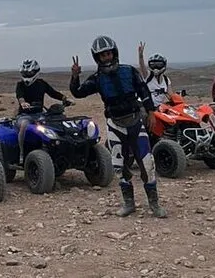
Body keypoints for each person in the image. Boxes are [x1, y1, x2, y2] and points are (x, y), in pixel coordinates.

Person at [69, 35, 166, 218]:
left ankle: (154, 204)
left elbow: (143, 90)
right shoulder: (97, 79)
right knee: (120, 166)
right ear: (97, 58)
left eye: (108, 53)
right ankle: (129, 203)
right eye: (102, 55)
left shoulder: (129, 71)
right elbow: (78, 93)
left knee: (147, 164)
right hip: (115, 125)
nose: (106, 57)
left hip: (135, 122)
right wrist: (75, 76)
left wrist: (151, 112)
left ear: (114, 53)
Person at [14, 59, 72, 165]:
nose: (27, 75)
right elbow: (20, 95)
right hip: (24, 115)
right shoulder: (20, 85)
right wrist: (23, 103)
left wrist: (64, 98)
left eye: (30, 73)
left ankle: (60, 149)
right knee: (24, 125)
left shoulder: (41, 84)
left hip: (41, 115)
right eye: (25, 73)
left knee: (58, 123)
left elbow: (53, 93)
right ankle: (21, 153)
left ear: (36, 72)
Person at [138, 42, 173, 108]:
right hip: (148, 108)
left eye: (159, 65)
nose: (155, 67)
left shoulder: (166, 80)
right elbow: (142, 66)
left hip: (161, 108)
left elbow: (171, 95)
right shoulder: (148, 76)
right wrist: (140, 56)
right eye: (153, 65)